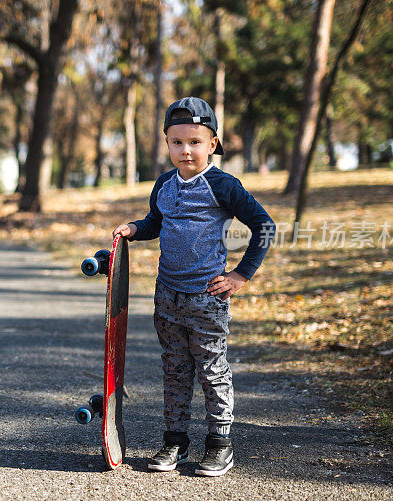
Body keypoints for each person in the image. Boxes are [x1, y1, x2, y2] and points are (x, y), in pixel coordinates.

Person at [112, 97, 274, 477]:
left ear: (212, 143)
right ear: (166, 143)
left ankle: (219, 444)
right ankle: (175, 442)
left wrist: (240, 275)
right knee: (174, 369)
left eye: (195, 142)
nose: (186, 151)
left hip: (207, 298)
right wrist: (136, 229)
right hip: (166, 296)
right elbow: (156, 222)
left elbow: (264, 226)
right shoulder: (165, 184)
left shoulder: (223, 185)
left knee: (211, 370)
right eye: (177, 142)